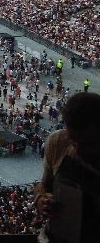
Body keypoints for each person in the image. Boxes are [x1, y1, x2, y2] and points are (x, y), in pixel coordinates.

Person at [34, 92, 100, 242]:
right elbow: (44, 185)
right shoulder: (58, 141)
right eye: (72, 140)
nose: (78, 150)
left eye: (88, 144)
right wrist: (42, 199)